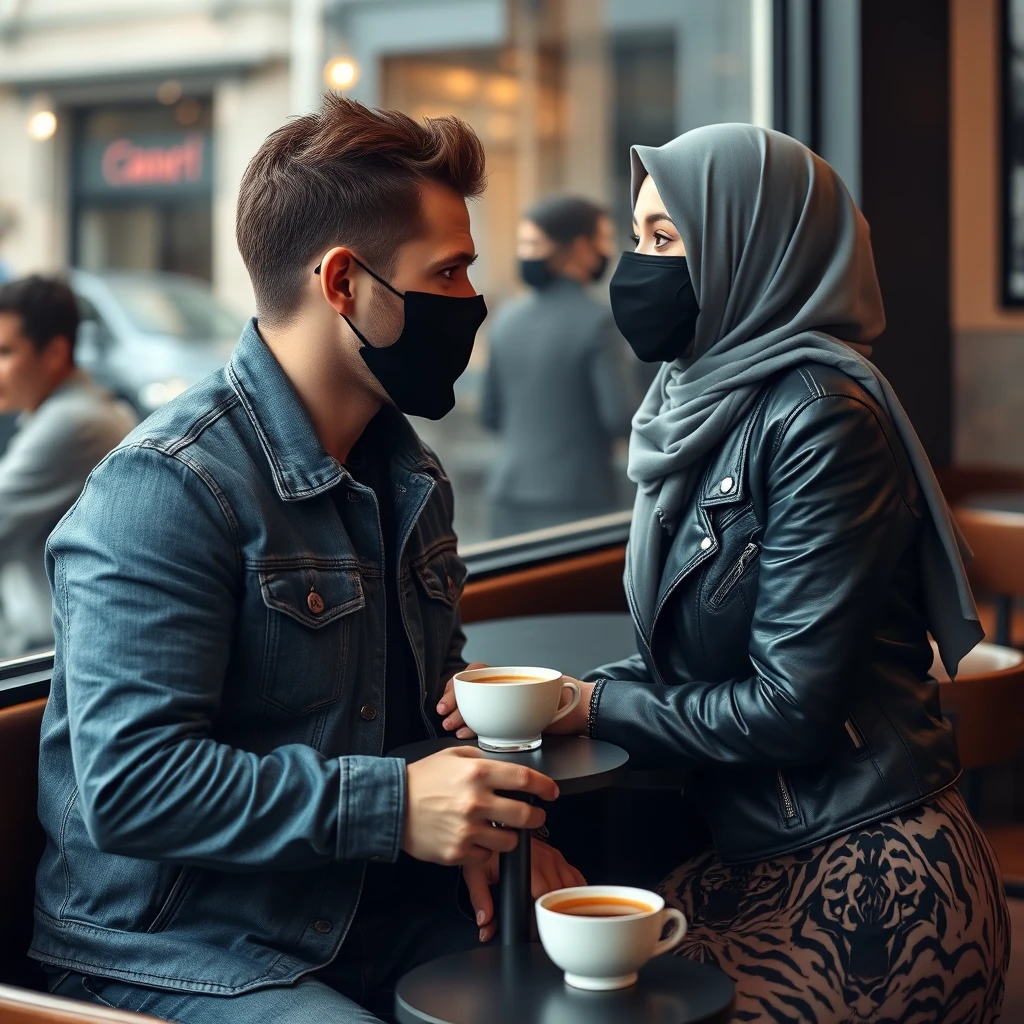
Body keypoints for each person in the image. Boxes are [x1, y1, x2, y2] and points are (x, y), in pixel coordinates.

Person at [32, 98, 583, 1023]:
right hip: (174, 946)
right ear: (343, 283)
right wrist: (395, 806)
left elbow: (416, 699)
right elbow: (131, 786)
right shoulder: (165, 488)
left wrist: (496, 832)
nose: (473, 305)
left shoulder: (409, 472)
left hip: (369, 906)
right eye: (447, 272)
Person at [443, 125, 1010, 1022]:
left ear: (757, 249)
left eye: (666, 239)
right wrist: (571, 694)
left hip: (867, 880)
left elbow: (789, 710)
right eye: (636, 237)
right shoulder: (697, 402)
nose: (639, 267)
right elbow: (701, 669)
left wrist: (596, 705)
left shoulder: (822, 417)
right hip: (753, 853)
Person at [480, 195, 634, 537]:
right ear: (580, 249)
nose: (605, 251)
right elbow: (619, 416)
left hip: (508, 494)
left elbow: (490, 414)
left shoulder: (505, 319)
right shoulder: (598, 321)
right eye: (603, 240)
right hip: (578, 498)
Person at [0, 275, 134, 657]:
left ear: (56, 353)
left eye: (5, 352)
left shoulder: (73, 423)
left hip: (43, 655)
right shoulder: (81, 410)